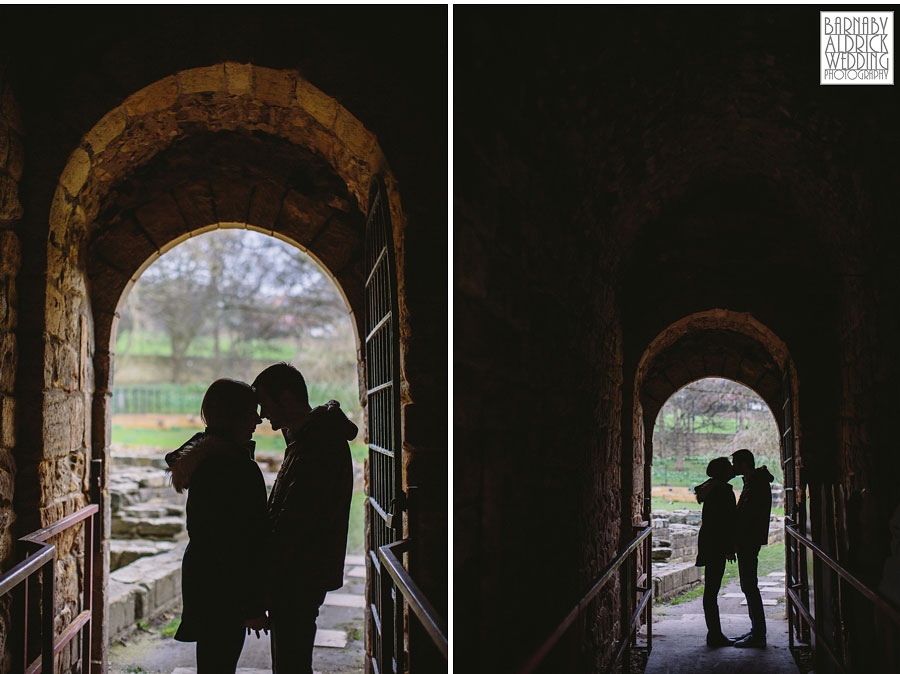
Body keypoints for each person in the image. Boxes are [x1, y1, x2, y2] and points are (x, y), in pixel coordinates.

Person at [252, 362, 358, 674]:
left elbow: (296, 520)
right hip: (299, 572)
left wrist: (265, 579)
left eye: (265, 403)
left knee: (291, 664)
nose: (260, 414)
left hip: (298, 573)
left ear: (286, 397)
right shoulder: (308, 437)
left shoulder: (318, 442)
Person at [163, 378, 269, 674]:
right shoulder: (237, 468)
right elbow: (242, 542)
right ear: (232, 417)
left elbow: (176, 457)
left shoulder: (209, 459)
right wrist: (251, 607)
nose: (258, 419)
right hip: (226, 589)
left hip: (205, 581)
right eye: (251, 413)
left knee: (212, 661)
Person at [731, 447, 774, 648]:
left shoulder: (756, 484)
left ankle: (758, 634)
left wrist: (736, 537)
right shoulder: (754, 481)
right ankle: (756, 630)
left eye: (735, 463)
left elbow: (748, 515)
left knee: (749, 586)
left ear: (744, 464)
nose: (733, 467)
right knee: (748, 585)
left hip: (749, 540)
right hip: (749, 539)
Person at [694, 457, 738, 647]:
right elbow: (725, 523)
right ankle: (715, 635)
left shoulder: (712, 488)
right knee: (712, 590)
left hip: (708, 543)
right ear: (723, 472)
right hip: (717, 545)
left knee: (711, 589)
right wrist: (728, 549)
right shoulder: (723, 492)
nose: (732, 469)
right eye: (729, 467)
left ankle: (714, 632)